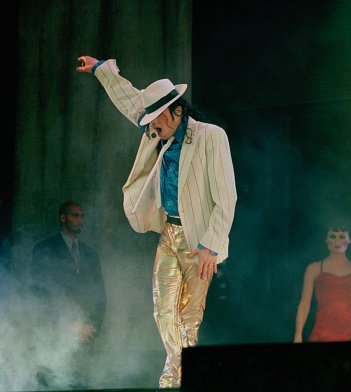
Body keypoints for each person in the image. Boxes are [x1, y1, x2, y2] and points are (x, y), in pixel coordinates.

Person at [76, 56, 237, 388]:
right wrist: (100, 69)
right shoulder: (158, 130)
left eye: (156, 120)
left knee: (189, 318)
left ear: (175, 112)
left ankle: (174, 379)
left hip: (199, 241)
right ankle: (180, 375)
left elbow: (226, 197)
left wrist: (211, 246)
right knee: (163, 312)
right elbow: (132, 100)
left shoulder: (211, 137)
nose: (151, 127)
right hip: (170, 232)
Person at [30, 200, 106, 387]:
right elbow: (40, 293)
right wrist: (68, 323)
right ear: (62, 217)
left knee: (82, 383)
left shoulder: (90, 254)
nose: (80, 220)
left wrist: (91, 327)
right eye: (75, 215)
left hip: (85, 338)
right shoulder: (43, 249)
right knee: (52, 382)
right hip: (54, 334)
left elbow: (100, 296)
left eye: (82, 216)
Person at [294, 223, 351, 342]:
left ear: (349, 240)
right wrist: (298, 335)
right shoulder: (314, 268)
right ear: (326, 240)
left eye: (342, 236)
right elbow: (304, 304)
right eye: (333, 236)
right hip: (323, 328)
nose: (337, 241)